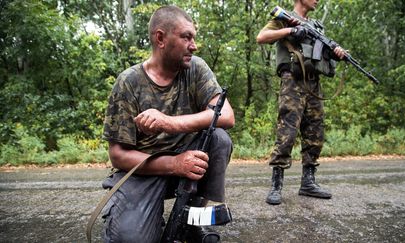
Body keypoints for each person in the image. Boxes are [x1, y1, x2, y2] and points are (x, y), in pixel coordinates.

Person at [101, 5, 235, 242]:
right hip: (144, 172)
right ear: (160, 38)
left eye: (193, 37)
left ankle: (191, 220)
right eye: (186, 37)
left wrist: (170, 123)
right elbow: (118, 155)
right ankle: (147, 217)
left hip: (188, 165)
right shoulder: (128, 83)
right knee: (130, 239)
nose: (193, 45)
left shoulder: (195, 68)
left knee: (218, 139)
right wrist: (174, 163)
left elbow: (225, 115)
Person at [256, 0, 346, 205]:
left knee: (315, 131)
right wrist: (290, 30)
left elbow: (320, 55)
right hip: (292, 81)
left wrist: (336, 52)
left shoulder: (316, 26)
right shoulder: (284, 17)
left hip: (314, 82)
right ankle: (276, 185)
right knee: (287, 131)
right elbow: (261, 37)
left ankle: (308, 182)